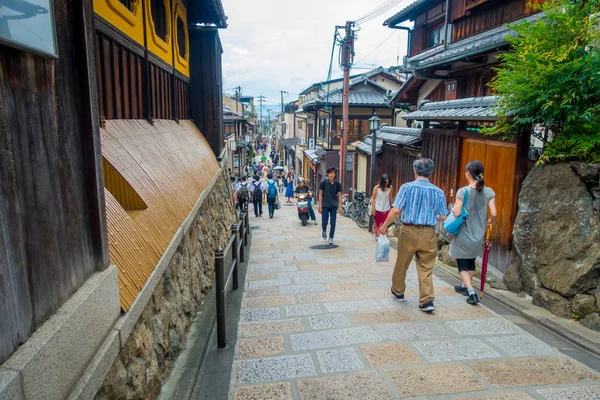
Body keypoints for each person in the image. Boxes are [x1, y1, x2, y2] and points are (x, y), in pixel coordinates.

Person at [380, 158, 448, 313]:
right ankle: (426, 301)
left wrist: (384, 226)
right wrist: (432, 217)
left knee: (402, 262)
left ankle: (398, 291)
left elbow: (396, 210)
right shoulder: (438, 192)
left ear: (415, 171)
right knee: (426, 267)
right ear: (431, 172)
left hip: (409, 230)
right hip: (429, 232)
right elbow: (443, 216)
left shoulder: (407, 188)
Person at [451, 161, 497, 305]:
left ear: (468, 173)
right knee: (471, 261)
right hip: (479, 234)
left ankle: (471, 291)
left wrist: (453, 209)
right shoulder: (489, 191)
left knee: (462, 264)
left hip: (464, 232)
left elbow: (457, 212)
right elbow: (494, 213)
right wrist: (490, 221)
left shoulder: (463, 191)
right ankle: (464, 286)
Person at [318, 167, 343, 245]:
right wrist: (320, 206)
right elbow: (320, 194)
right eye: (330, 173)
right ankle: (324, 230)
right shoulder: (323, 183)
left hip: (333, 205)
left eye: (333, 173)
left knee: (333, 222)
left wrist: (340, 206)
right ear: (328, 174)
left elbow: (339, 195)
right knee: (324, 221)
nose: (332, 175)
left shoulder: (338, 184)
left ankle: (331, 237)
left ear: (335, 174)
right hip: (325, 205)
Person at [371, 174, 394, 239]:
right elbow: (373, 198)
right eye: (385, 182)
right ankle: (378, 235)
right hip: (377, 208)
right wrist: (373, 208)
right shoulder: (376, 188)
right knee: (377, 223)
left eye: (388, 182)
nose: (387, 183)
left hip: (386, 208)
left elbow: (391, 198)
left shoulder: (390, 188)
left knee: (384, 223)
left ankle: (383, 236)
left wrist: (392, 207)